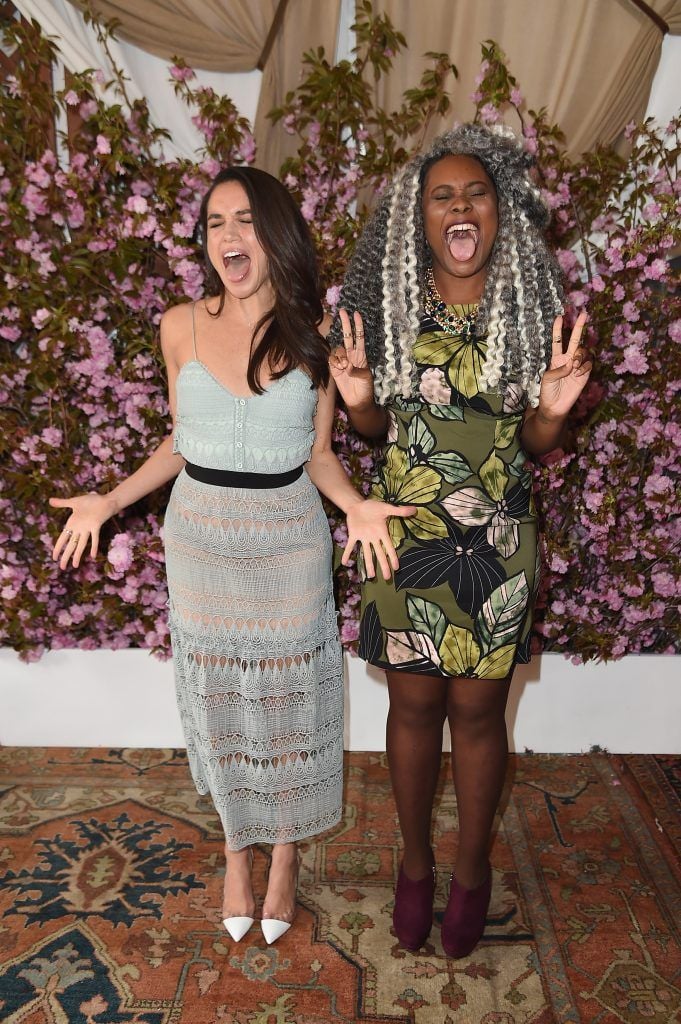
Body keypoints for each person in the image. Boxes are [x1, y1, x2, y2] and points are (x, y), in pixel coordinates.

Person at [49, 166, 414, 946]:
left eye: (243, 220)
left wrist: (353, 505)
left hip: (288, 541)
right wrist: (108, 501)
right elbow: (182, 442)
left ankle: (281, 856)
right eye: (214, 223)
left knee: (288, 710)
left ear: (273, 232)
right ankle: (235, 852)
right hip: (201, 540)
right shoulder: (178, 324)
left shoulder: (314, 334)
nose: (226, 237)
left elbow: (317, 455)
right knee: (219, 709)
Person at [328, 123, 592, 958]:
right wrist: (361, 394)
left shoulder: (531, 310)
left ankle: (470, 870)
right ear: (419, 217)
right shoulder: (388, 308)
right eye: (441, 194)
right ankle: (414, 866)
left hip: (498, 537)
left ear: (500, 208)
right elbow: (371, 431)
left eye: (474, 191)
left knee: (478, 715)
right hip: (404, 535)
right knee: (411, 707)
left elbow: (538, 444)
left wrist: (551, 410)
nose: (459, 205)